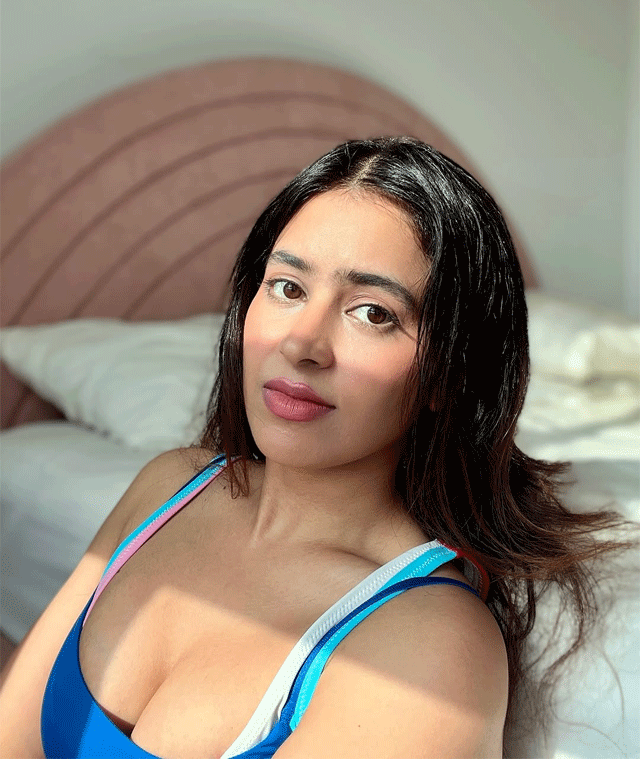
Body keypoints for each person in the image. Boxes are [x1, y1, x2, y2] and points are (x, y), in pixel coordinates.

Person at [0, 137, 625, 759]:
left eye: (373, 313)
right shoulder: (168, 489)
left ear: (449, 376)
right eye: (288, 288)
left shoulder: (427, 640)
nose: (301, 344)